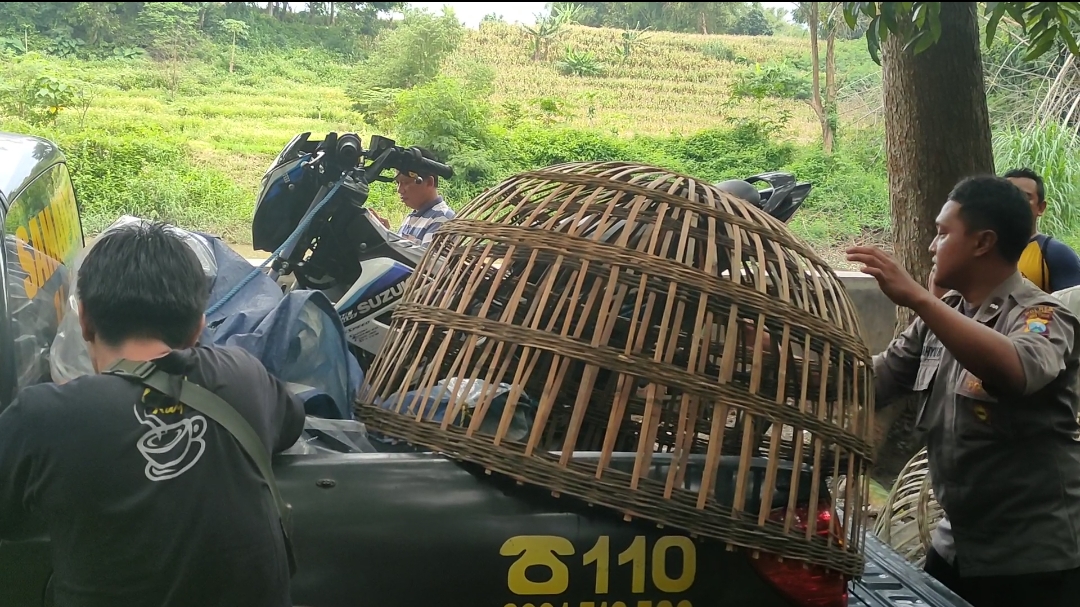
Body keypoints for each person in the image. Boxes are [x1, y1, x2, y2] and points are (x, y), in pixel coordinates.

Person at [0, 221, 306, 607]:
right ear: (198, 327)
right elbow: (290, 425)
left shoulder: (42, 417)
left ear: (85, 321)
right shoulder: (245, 375)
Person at [847, 174, 1080, 607]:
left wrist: (920, 298)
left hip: (1032, 561)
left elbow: (1020, 369)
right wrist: (783, 352)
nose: (932, 247)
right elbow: (872, 380)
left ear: (982, 242)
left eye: (942, 233)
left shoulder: (1042, 317)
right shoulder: (943, 318)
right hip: (957, 545)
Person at [1004, 167, 1080, 292]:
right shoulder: (982, 250)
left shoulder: (1056, 254)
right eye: (1007, 195)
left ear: (1041, 207)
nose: (1014, 201)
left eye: (1025, 196)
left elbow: (1073, 305)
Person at [371, 146, 455, 247]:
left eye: (406, 182)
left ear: (429, 182)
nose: (400, 190)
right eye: (398, 183)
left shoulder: (443, 219)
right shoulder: (413, 216)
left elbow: (424, 261)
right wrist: (384, 233)